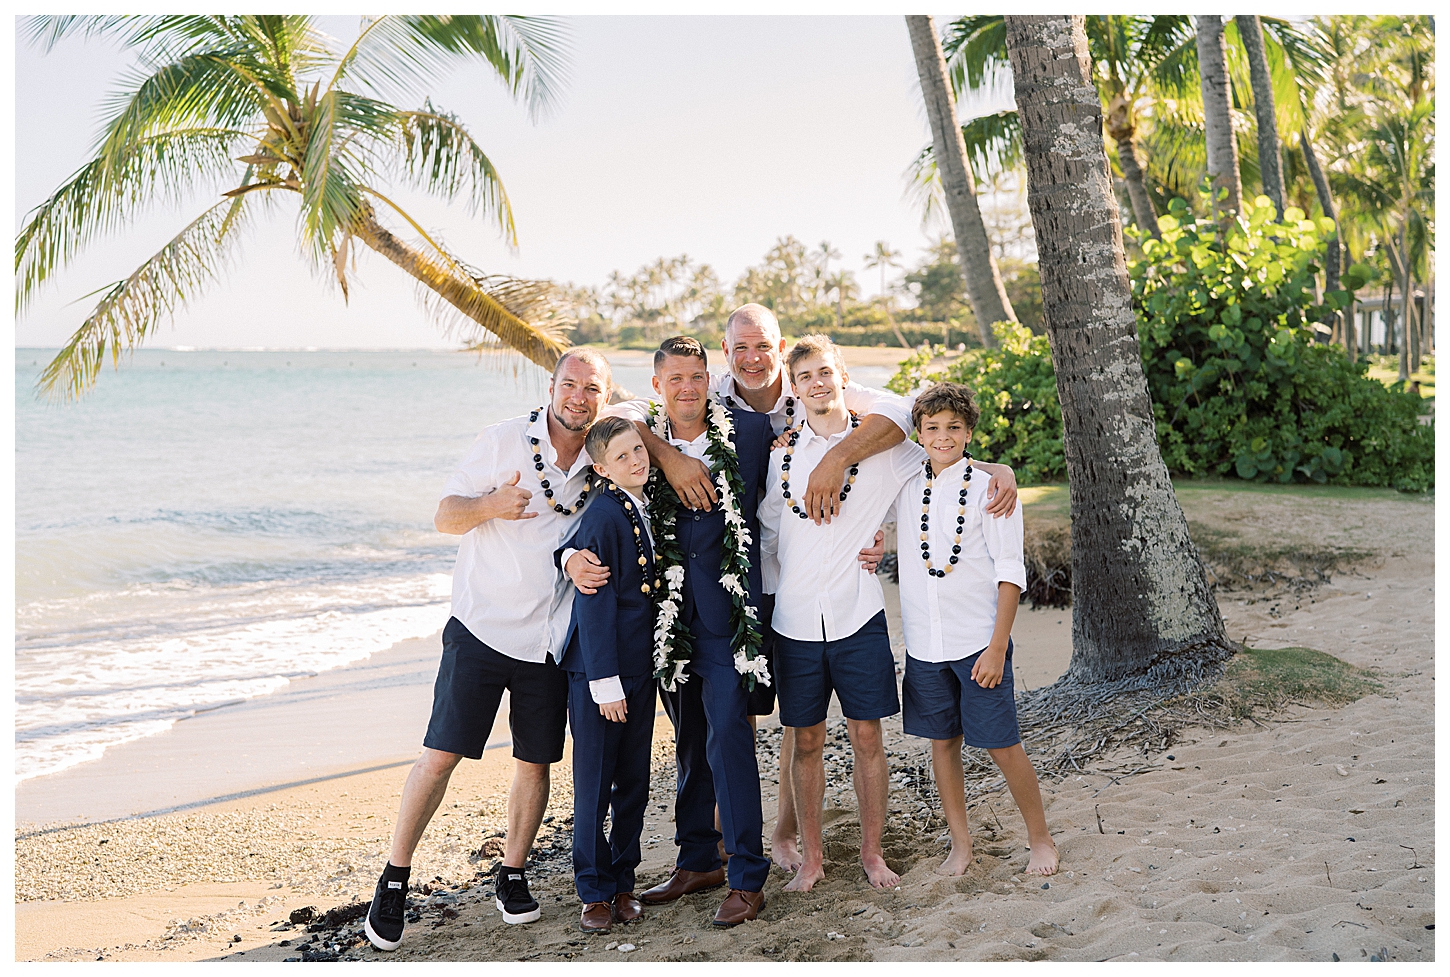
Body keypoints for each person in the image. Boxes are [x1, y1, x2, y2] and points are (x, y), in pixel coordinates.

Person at [568, 303, 1019, 871]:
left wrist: (992, 470)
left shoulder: (835, 436)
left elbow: (930, 441)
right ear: (728, 360)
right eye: (740, 350)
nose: (754, 359)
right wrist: (579, 546)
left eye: (769, 349)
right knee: (757, 734)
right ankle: (743, 851)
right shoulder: (748, 436)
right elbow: (619, 428)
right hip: (771, 614)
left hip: (843, 612)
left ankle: (837, 850)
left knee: (845, 735)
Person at [364, 347, 674, 950]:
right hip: (481, 628)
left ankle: (512, 871)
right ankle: (395, 876)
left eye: (592, 388)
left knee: (536, 761)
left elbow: (651, 415)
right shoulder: (504, 440)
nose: (578, 396)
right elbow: (444, 516)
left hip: (549, 641)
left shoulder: (601, 458)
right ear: (551, 385)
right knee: (441, 755)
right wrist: (490, 506)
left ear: (604, 396)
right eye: (569, 384)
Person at [759, 335, 929, 893]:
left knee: (867, 736)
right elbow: (766, 539)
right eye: (804, 376)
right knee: (805, 741)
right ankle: (811, 858)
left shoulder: (878, 448)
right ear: (795, 387)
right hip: (795, 623)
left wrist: (996, 470)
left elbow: (940, 452)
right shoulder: (781, 457)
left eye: (825, 372)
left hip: (859, 615)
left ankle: (873, 853)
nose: (817, 383)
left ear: (842, 375)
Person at [895, 382, 1057, 877]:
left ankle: (1041, 839)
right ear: (919, 432)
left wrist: (997, 647)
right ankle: (960, 846)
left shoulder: (993, 489)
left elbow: (1011, 573)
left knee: (1001, 743)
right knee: (941, 743)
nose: (942, 437)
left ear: (969, 433)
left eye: (954, 428)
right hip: (925, 645)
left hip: (978, 644)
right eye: (932, 428)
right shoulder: (905, 483)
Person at [557, 417, 661, 933]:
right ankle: (594, 891)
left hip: (640, 669)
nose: (637, 461)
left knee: (634, 782)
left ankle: (624, 882)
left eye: (639, 450)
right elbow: (592, 602)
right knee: (595, 784)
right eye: (622, 457)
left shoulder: (639, 503)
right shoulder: (601, 514)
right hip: (602, 674)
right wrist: (605, 682)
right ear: (600, 468)